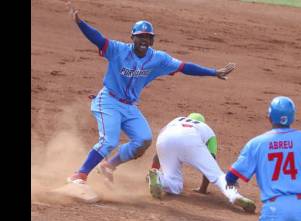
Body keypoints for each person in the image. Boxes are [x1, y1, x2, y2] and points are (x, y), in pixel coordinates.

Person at [64, 1, 236, 185]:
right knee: (109, 141)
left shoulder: (158, 59)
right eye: (140, 36)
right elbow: (97, 38)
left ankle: (109, 165)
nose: (144, 40)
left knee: (143, 139)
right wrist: (79, 22)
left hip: (129, 106)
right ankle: (80, 175)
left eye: (148, 37)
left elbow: (185, 67)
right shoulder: (117, 50)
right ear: (132, 37)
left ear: (152, 40)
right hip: (108, 101)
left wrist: (213, 72)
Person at [147, 113, 256, 213]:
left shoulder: (176, 121)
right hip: (190, 139)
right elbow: (211, 160)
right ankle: (235, 196)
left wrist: (153, 170)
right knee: (218, 176)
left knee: (174, 185)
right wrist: (203, 189)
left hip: (164, 140)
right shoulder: (206, 129)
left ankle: (159, 178)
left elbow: (157, 155)